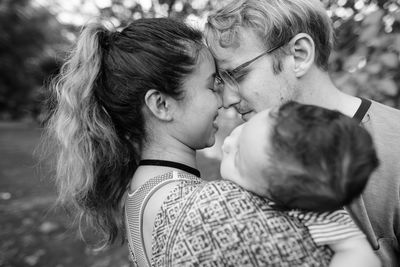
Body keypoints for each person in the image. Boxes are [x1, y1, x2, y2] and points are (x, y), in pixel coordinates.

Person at [44, 17, 333, 267]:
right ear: (161, 104)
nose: (225, 100)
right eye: (212, 86)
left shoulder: (138, 194)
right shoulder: (213, 209)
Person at [205, 0, 400, 265]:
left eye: (236, 75)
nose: (226, 99)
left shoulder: (395, 150)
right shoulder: (247, 153)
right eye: (219, 81)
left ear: (299, 54)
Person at [221, 101, 380, 266]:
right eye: (244, 130)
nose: (227, 143)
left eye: (238, 157)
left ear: (277, 195)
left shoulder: (320, 217)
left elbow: (361, 256)